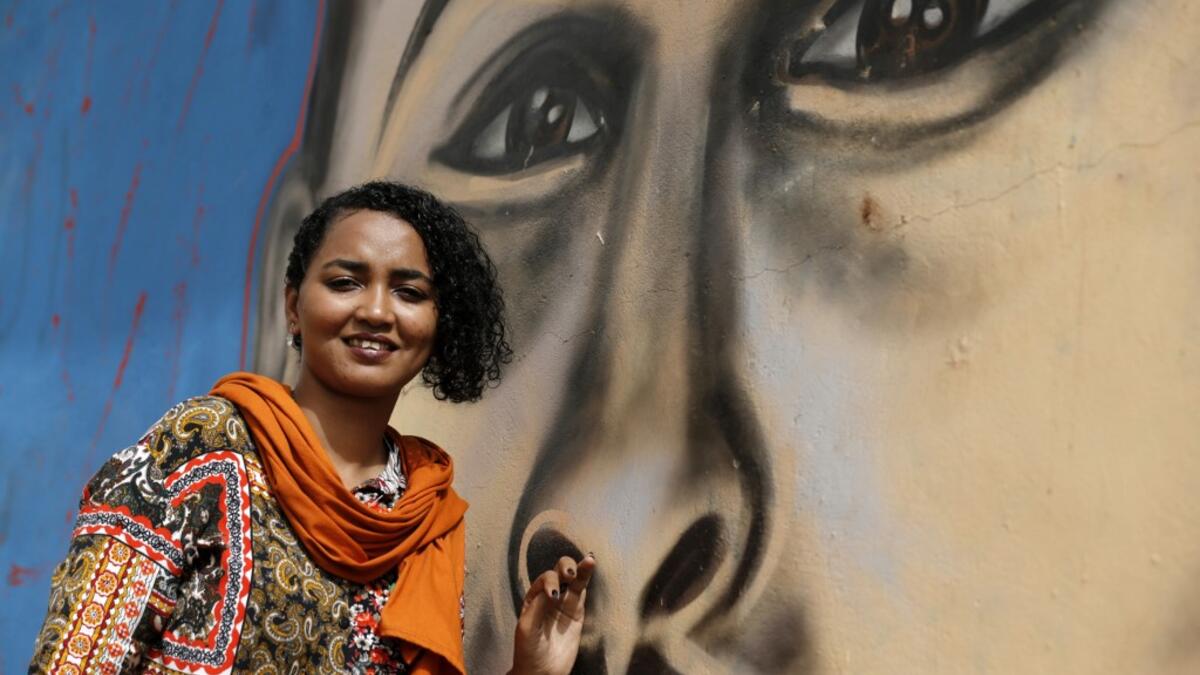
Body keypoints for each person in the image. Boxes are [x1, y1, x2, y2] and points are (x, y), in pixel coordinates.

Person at [29, 181, 594, 674]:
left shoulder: (424, 514)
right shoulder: (203, 448)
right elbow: (77, 658)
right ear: (294, 307)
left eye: (409, 292)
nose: (377, 310)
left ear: (439, 326)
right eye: (347, 282)